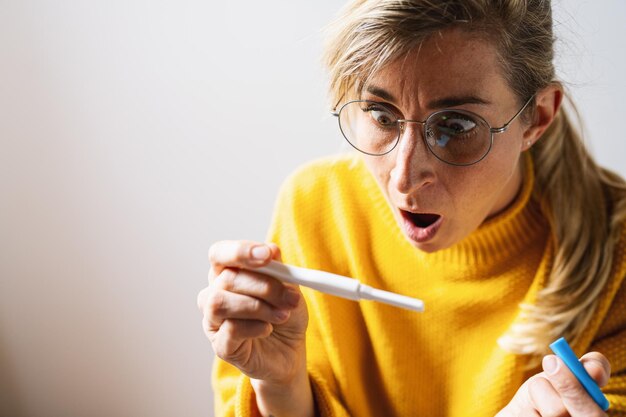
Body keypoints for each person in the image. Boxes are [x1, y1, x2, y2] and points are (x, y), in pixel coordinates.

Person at [197, 1, 626, 416]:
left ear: (537, 117)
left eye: (455, 126)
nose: (403, 178)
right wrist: (281, 388)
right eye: (381, 115)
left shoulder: (617, 249)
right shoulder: (316, 207)